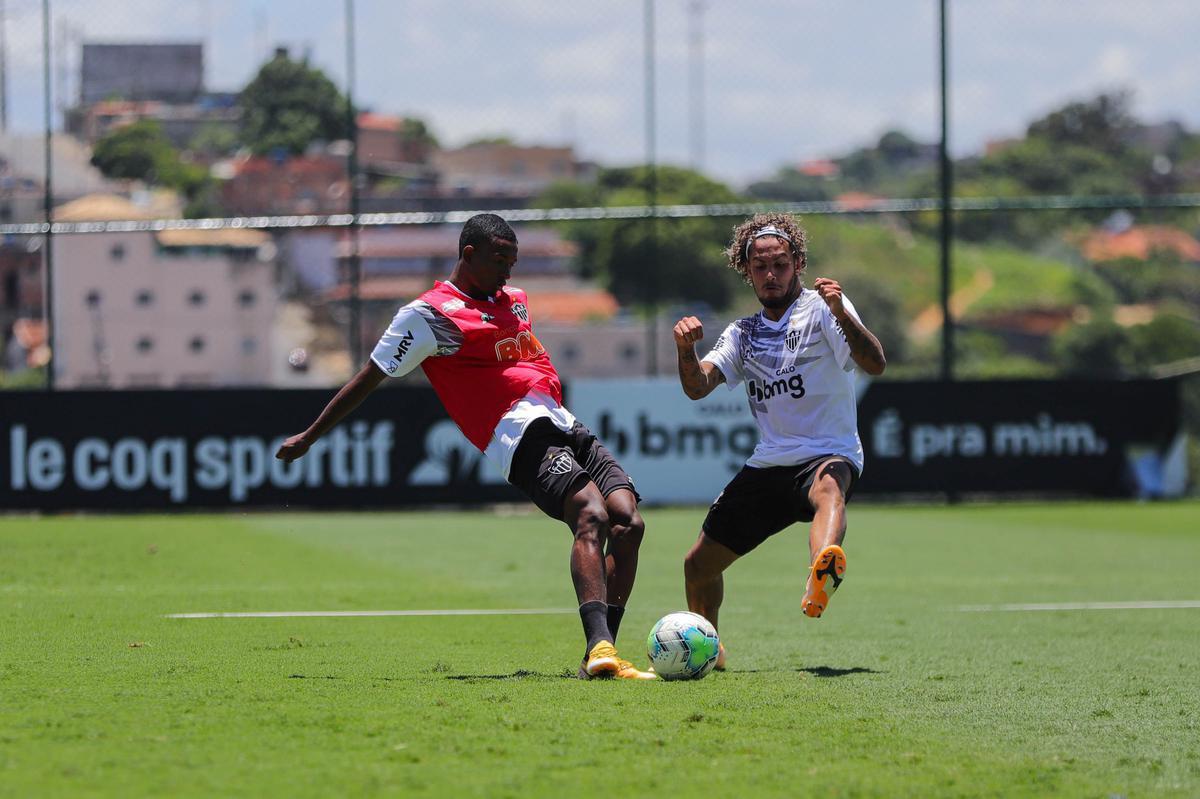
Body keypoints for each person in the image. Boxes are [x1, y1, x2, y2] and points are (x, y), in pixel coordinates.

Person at [276, 213, 654, 680]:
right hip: (517, 433)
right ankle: (601, 647)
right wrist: (311, 435)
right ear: (468, 254)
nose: (508, 271)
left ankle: (602, 654)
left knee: (629, 521)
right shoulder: (428, 315)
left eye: (513, 262)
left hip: (565, 422)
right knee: (590, 514)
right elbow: (368, 378)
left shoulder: (513, 300)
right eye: (500, 260)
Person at [672, 212, 886, 670]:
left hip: (827, 452)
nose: (771, 275)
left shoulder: (824, 309)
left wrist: (841, 313)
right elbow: (698, 386)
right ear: (746, 270)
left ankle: (821, 572)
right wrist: (686, 351)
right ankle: (711, 650)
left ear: (799, 263)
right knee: (698, 566)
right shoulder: (742, 334)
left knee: (828, 490)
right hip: (770, 464)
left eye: (781, 265)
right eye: (761, 267)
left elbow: (875, 363)